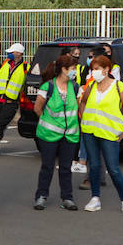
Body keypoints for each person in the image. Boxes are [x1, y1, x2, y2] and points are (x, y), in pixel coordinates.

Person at [77, 53, 123, 214]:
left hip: (109, 134)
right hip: (90, 132)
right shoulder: (91, 86)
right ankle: (95, 198)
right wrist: (83, 120)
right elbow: (82, 102)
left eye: (97, 69)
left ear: (106, 69)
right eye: (92, 69)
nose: (93, 72)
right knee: (94, 166)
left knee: (113, 168)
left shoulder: (118, 86)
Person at [32, 51, 81, 211]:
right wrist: (47, 121)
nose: (75, 71)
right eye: (73, 68)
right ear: (63, 69)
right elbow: (37, 108)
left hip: (70, 135)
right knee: (47, 166)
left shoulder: (75, 87)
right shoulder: (48, 87)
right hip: (49, 135)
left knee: (66, 167)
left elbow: (80, 109)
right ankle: (41, 196)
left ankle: (67, 198)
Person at [0, 42, 27, 156]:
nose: (9, 54)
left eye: (11, 52)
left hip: (10, 102)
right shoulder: (5, 63)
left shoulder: (25, 67)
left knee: (0, 124)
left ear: (19, 53)